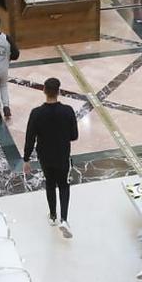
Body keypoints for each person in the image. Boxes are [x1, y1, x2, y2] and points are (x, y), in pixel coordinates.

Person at [23, 75, 80, 236]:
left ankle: (53, 215)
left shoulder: (36, 113)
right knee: (63, 185)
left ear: (44, 91)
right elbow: (74, 135)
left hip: (45, 156)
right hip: (62, 154)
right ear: (59, 92)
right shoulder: (67, 111)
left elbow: (30, 138)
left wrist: (26, 159)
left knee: (50, 183)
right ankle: (64, 219)